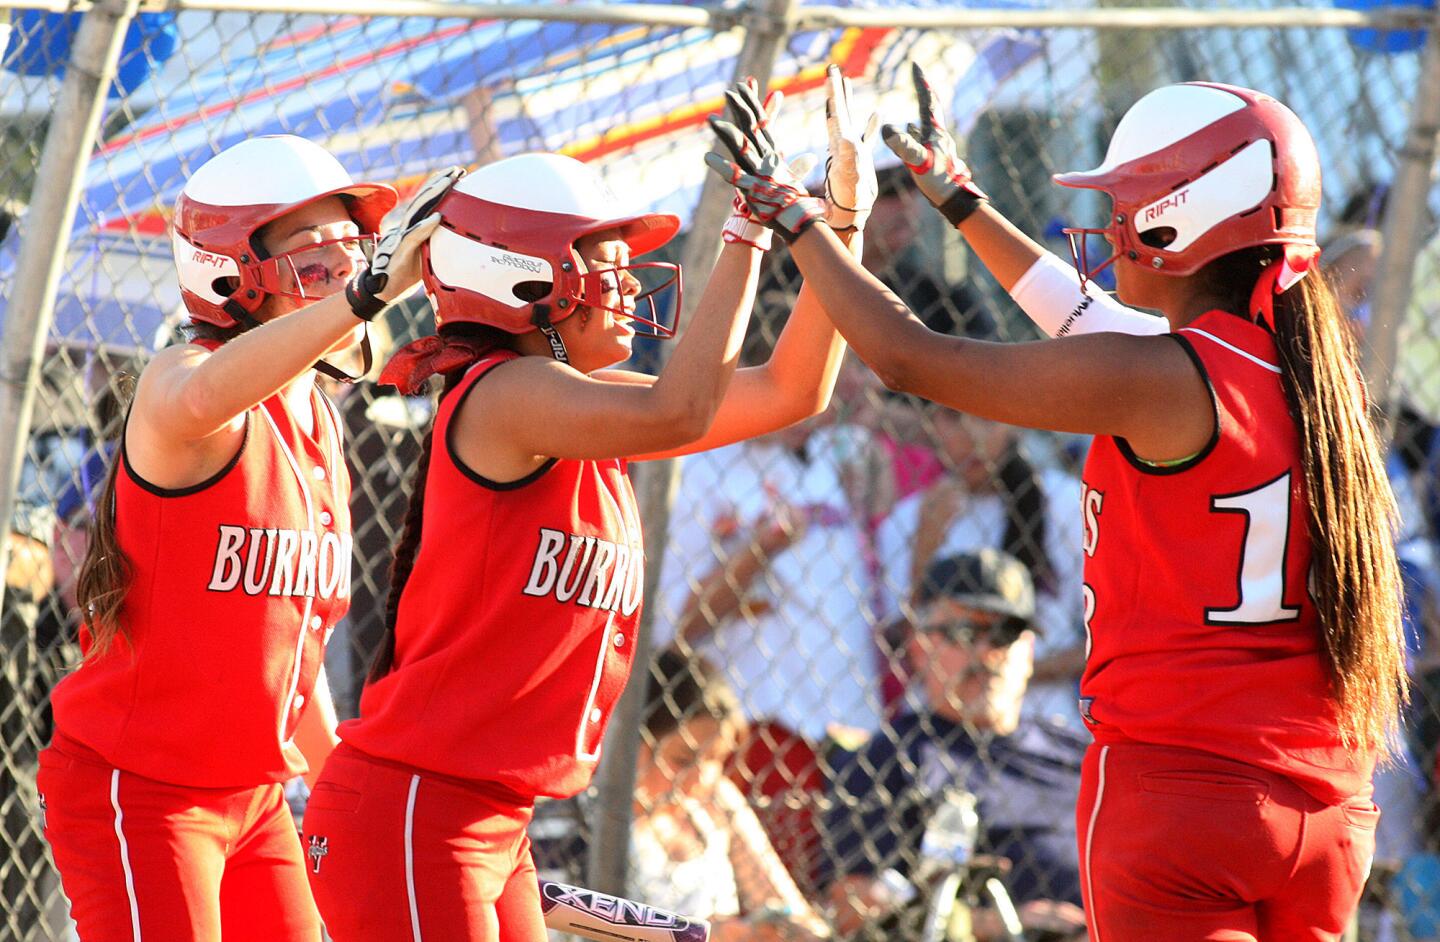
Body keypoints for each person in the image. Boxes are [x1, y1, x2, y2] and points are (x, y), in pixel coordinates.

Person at [708, 65, 1407, 940]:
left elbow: (907, 359)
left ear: (1185, 216)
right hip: (1327, 802)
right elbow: (1084, 320)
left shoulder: (1159, 373)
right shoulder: (1303, 371)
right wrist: (959, 200)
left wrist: (799, 218)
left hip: (1184, 797)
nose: (1111, 225)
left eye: (1130, 202)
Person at [300, 74, 871, 941]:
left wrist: (837, 224)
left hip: (490, 818)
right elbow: (680, 408)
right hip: (418, 806)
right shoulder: (506, 392)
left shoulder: (581, 409)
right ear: (524, 284)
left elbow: (797, 389)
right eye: (602, 264)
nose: (632, 286)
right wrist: (748, 230)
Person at [35, 134, 453, 940]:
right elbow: (200, 400)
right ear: (228, 275)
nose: (345, 279)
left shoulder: (317, 416)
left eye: (353, 257)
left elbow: (290, 664)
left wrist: (349, 801)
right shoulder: (178, 384)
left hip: (255, 797)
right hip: (140, 789)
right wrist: (365, 296)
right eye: (314, 263)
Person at [822, 550, 1088, 942]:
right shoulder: (888, 759)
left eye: (1003, 635)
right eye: (963, 634)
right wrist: (991, 925)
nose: (984, 653)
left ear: (1028, 650)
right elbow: (851, 906)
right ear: (918, 645)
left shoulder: (1080, 753)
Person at [875, 404, 1086, 727]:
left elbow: (1109, 639)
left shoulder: (1065, 503)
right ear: (932, 424)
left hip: (1043, 725)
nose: (972, 436)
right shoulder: (908, 519)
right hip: (940, 727)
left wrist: (1007, 672)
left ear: (1015, 424)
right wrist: (923, 551)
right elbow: (905, 645)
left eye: (987, 418)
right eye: (954, 417)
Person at [629, 649, 830, 942]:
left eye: (716, 759)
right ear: (635, 745)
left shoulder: (717, 801)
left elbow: (784, 904)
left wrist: (786, 927)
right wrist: (702, 935)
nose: (703, 778)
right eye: (683, 760)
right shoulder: (591, 817)